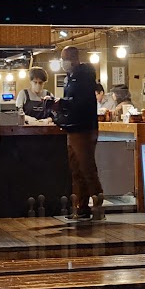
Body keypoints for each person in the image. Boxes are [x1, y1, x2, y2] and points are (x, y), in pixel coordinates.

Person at [56, 46, 104, 220]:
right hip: (74, 128)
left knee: (86, 168)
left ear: (74, 58)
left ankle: (97, 206)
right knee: (76, 169)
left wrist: (60, 104)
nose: (63, 62)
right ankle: (81, 207)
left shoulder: (83, 76)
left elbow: (80, 103)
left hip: (83, 128)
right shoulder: (71, 78)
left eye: (65, 58)